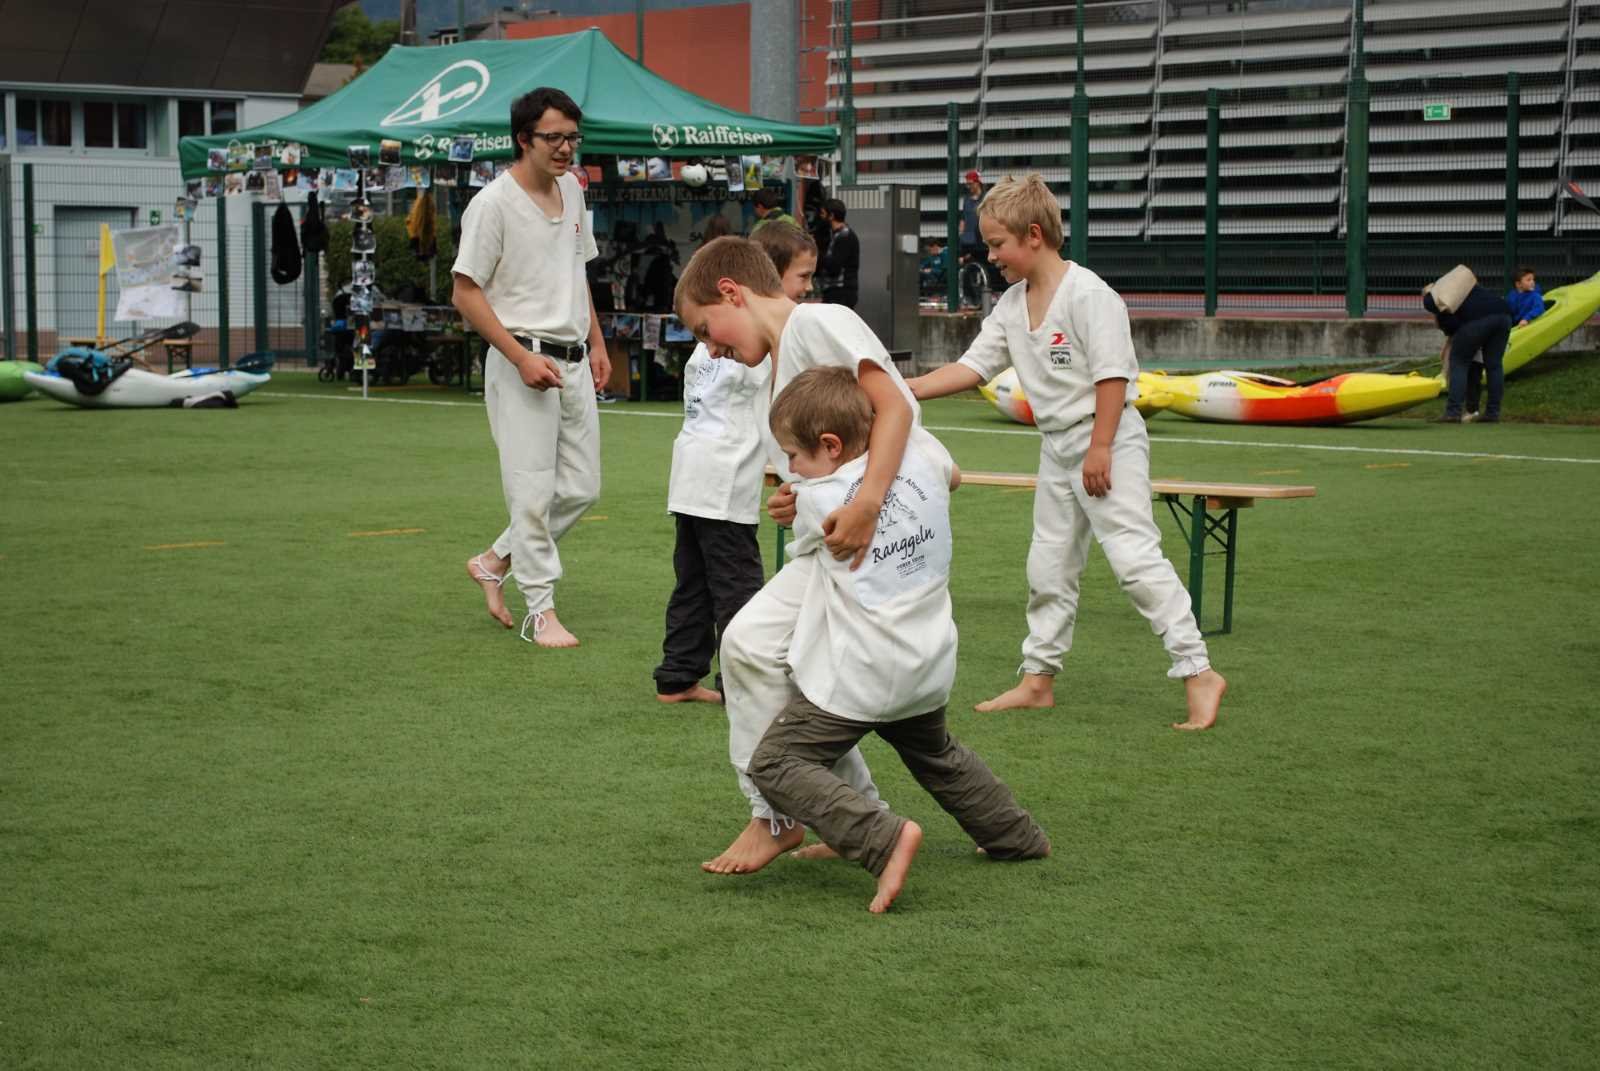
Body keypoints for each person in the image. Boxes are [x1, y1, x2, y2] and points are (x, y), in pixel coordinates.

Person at [906, 174, 1227, 732]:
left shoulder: (1090, 295)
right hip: (1057, 447)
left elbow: (1113, 377)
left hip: (1108, 440)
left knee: (1134, 560)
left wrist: (1101, 448)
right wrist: (903, 390)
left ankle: (1198, 671)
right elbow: (972, 368)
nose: (990, 256)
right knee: (1049, 565)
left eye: (998, 244)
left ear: (1034, 235)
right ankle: (1038, 678)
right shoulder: (1012, 304)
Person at [747, 367, 1051, 913]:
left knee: (774, 762)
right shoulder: (921, 451)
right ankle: (1014, 835)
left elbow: (807, 534)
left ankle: (880, 838)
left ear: (830, 445)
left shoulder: (819, 499)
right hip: (929, 660)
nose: (789, 469)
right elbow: (953, 476)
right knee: (936, 753)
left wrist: (792, 505)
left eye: (793, 455)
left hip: (863, 673)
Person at [675, 235, 929, 873]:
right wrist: (800, 497)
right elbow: (838, 451)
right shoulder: (780, 357)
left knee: (748, 646)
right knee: (775, 661)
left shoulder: (817, 322)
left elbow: (897, 406)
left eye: (706, 329)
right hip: (836, 541)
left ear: (731, 292)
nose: (710, 348)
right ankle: (848, 815)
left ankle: (778, 816)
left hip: (864, 538)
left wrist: (867, 502)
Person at [453, 87, 612, 647]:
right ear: (524, 139)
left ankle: (495, 560)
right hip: (521, 358)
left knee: (583, 488)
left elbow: (577, 271)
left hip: (573, 358)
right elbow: (465, 292)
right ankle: (540, 610)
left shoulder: (573, 189)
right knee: (532, 489)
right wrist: (519, 357)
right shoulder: (492, 204)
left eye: (572, 137)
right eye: (554, 138)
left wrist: (597, 342)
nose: (566, 148)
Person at [652, 223, 817, 704]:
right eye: (801, 277)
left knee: (694, 582)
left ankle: (677, 676)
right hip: (724, 482)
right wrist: (793, 471)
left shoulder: (707, 344)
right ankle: (739, 684)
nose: (806, 289)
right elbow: (781, 407)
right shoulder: (755, 343)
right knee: (737, 587)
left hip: (691, 476)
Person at [1424, 278, 1512, 423]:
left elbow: (1453, 328)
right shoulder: (1462, 285)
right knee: (1494, 365)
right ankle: (1493, 413)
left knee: (1459, 362)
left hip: (1477, 321)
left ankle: (1453, 412)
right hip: (1504, 315)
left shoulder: (1438, 301)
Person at [959, 169, 984, 261]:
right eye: (967, 184)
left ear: (977, 183)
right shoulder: (966, 200)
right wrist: (961, 234)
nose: (968, 186)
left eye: (970, 184)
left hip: (981, 241)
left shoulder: (985, 199)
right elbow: (963, 218)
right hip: (967, 240)